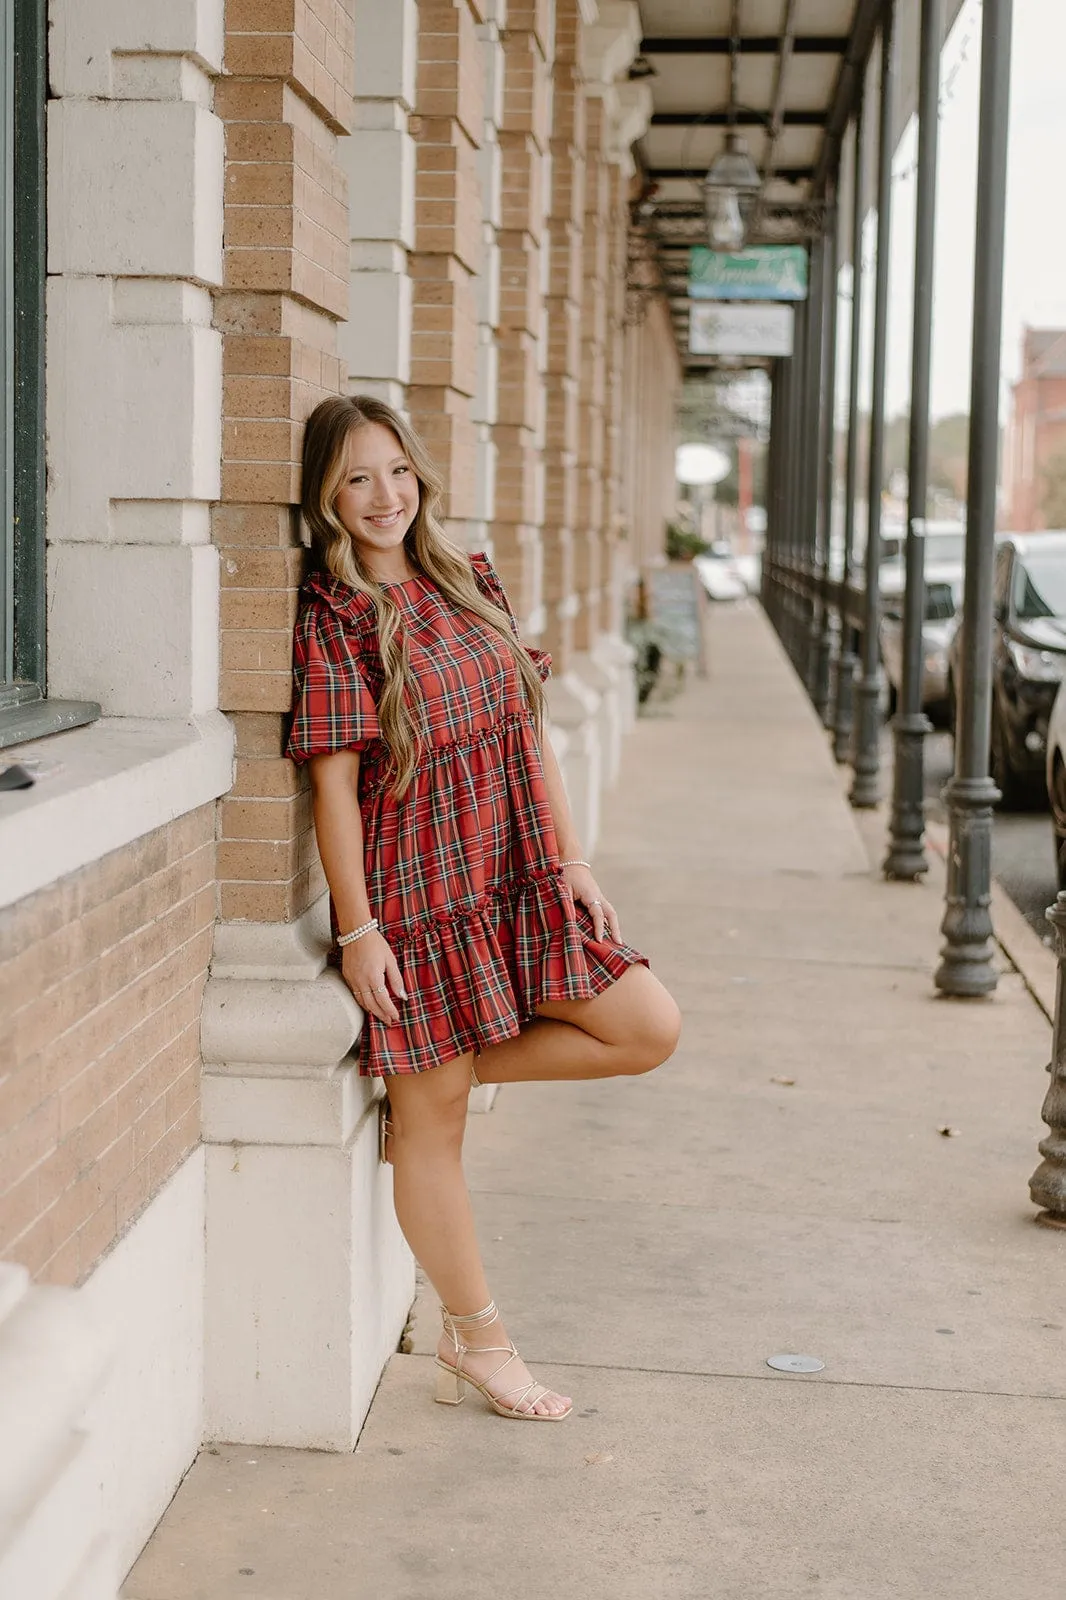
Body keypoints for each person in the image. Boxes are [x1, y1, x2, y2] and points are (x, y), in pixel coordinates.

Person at [287, 395, 681, 1423]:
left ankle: (431, 1079)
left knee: (646, 1023)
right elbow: (334, 786)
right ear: (327, 495)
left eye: (398, 471)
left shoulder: (466, 580)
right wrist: (357, 928)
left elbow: (530, 731)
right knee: (437, 1131)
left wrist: (572, 857)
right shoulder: (332, 615)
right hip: (417, 892)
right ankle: (479, 1339)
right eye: (358, 478)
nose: (385, 495)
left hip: (513, 872)